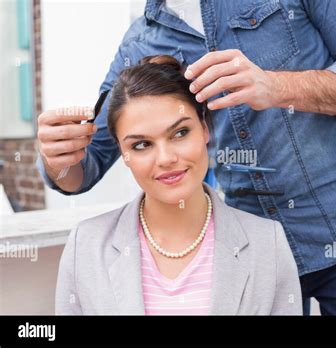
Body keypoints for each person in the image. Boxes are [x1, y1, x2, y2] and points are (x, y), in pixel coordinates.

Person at [39, 0, 336, 315]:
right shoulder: (140, 42)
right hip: (249, 253)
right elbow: (84, 169)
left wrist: (277, 87)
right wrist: (59, 157)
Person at [55, 55, 302, 315]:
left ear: (205, 129)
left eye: (180, 133)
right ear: (123, 154)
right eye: (141, 145)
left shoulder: (268, 244)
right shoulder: (86, 245)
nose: (166, 159)